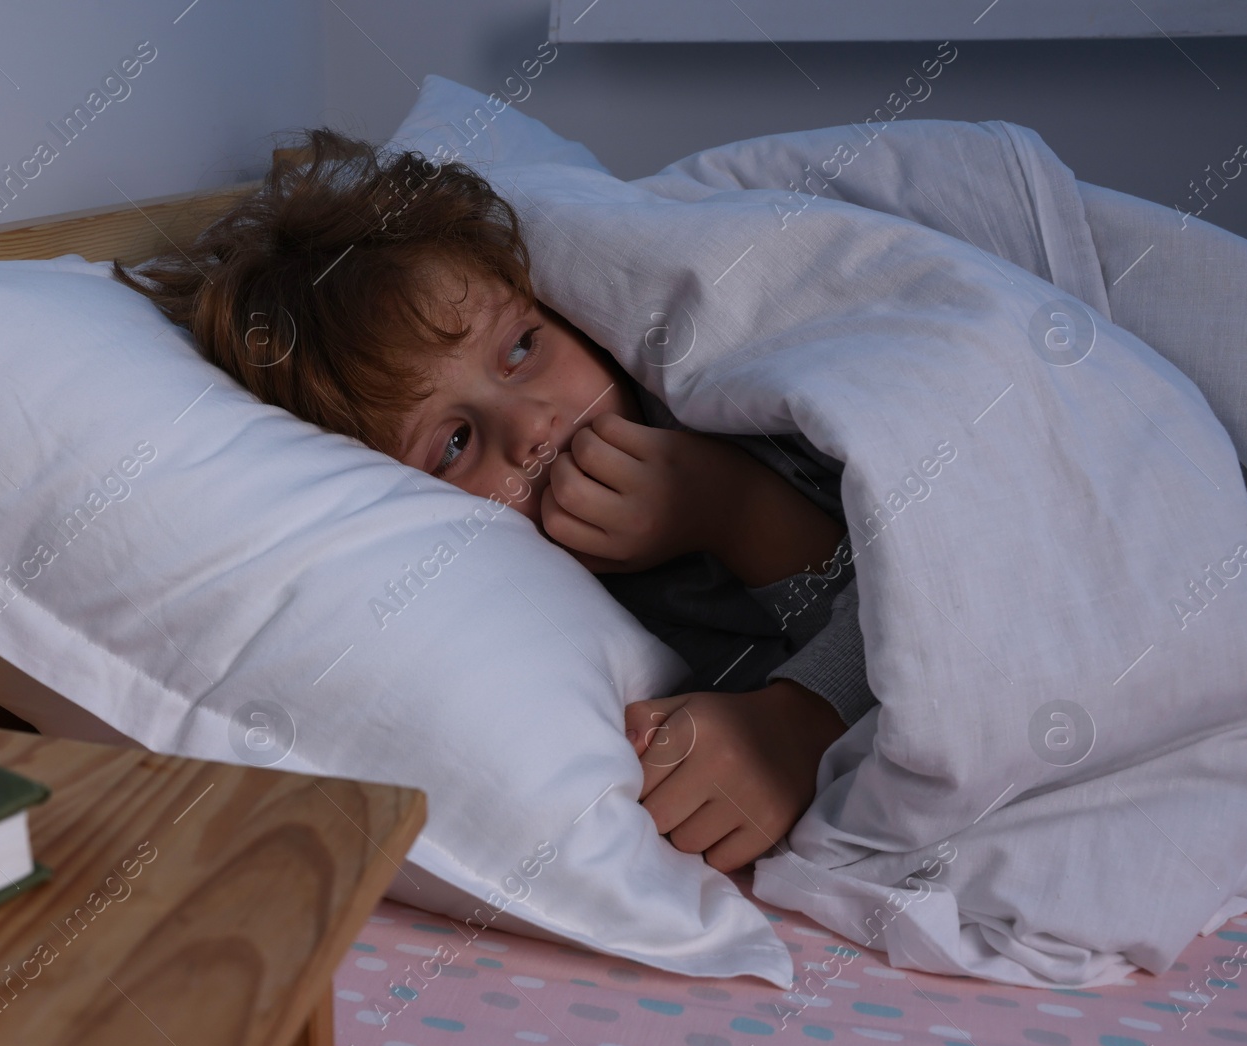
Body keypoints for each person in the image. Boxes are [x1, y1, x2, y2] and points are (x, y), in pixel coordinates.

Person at [112, 128, 877, 873]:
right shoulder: (525, 612)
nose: (533, 426)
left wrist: (729, 510)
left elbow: (924, 590)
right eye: (452, 444)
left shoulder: (713, 404)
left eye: (521, 348)